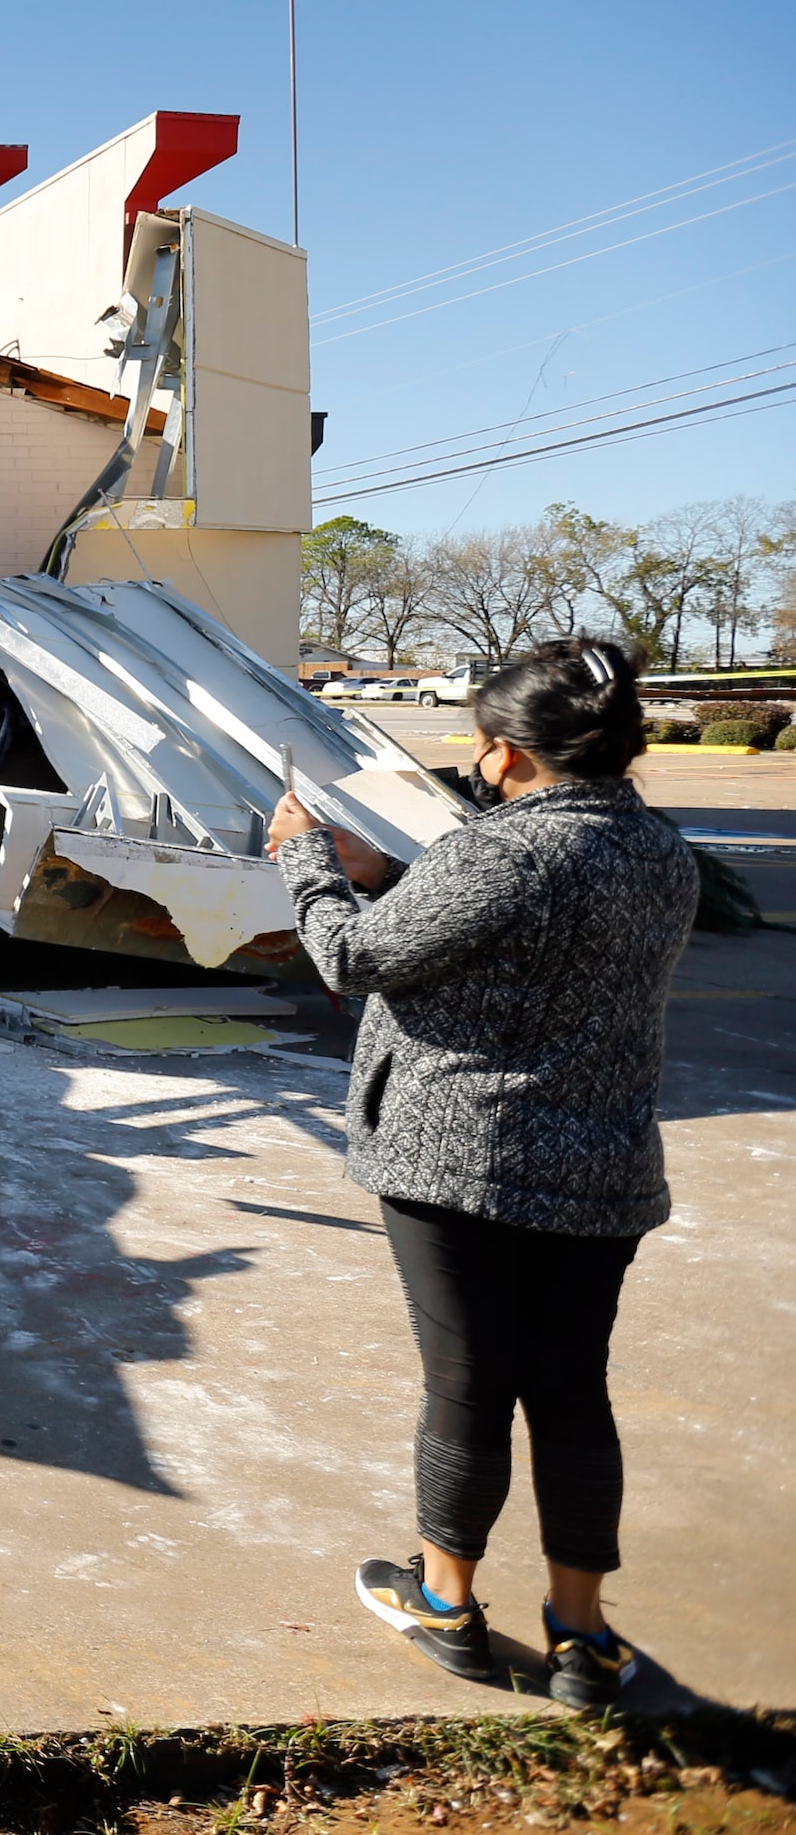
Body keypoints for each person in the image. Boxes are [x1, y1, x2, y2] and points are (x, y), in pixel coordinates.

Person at [265, 637, 695, 1709]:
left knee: (466, 1386)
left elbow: (355, 960)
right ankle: (581, 1641)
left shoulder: (496, 854)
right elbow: (535, 932)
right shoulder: (660, 853)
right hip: (600, 1165)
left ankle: (447, 1608)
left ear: (506, 755)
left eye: (479, 738)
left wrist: (307, 859)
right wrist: (399, 874)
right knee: (570, 1392)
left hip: (459, 1165)